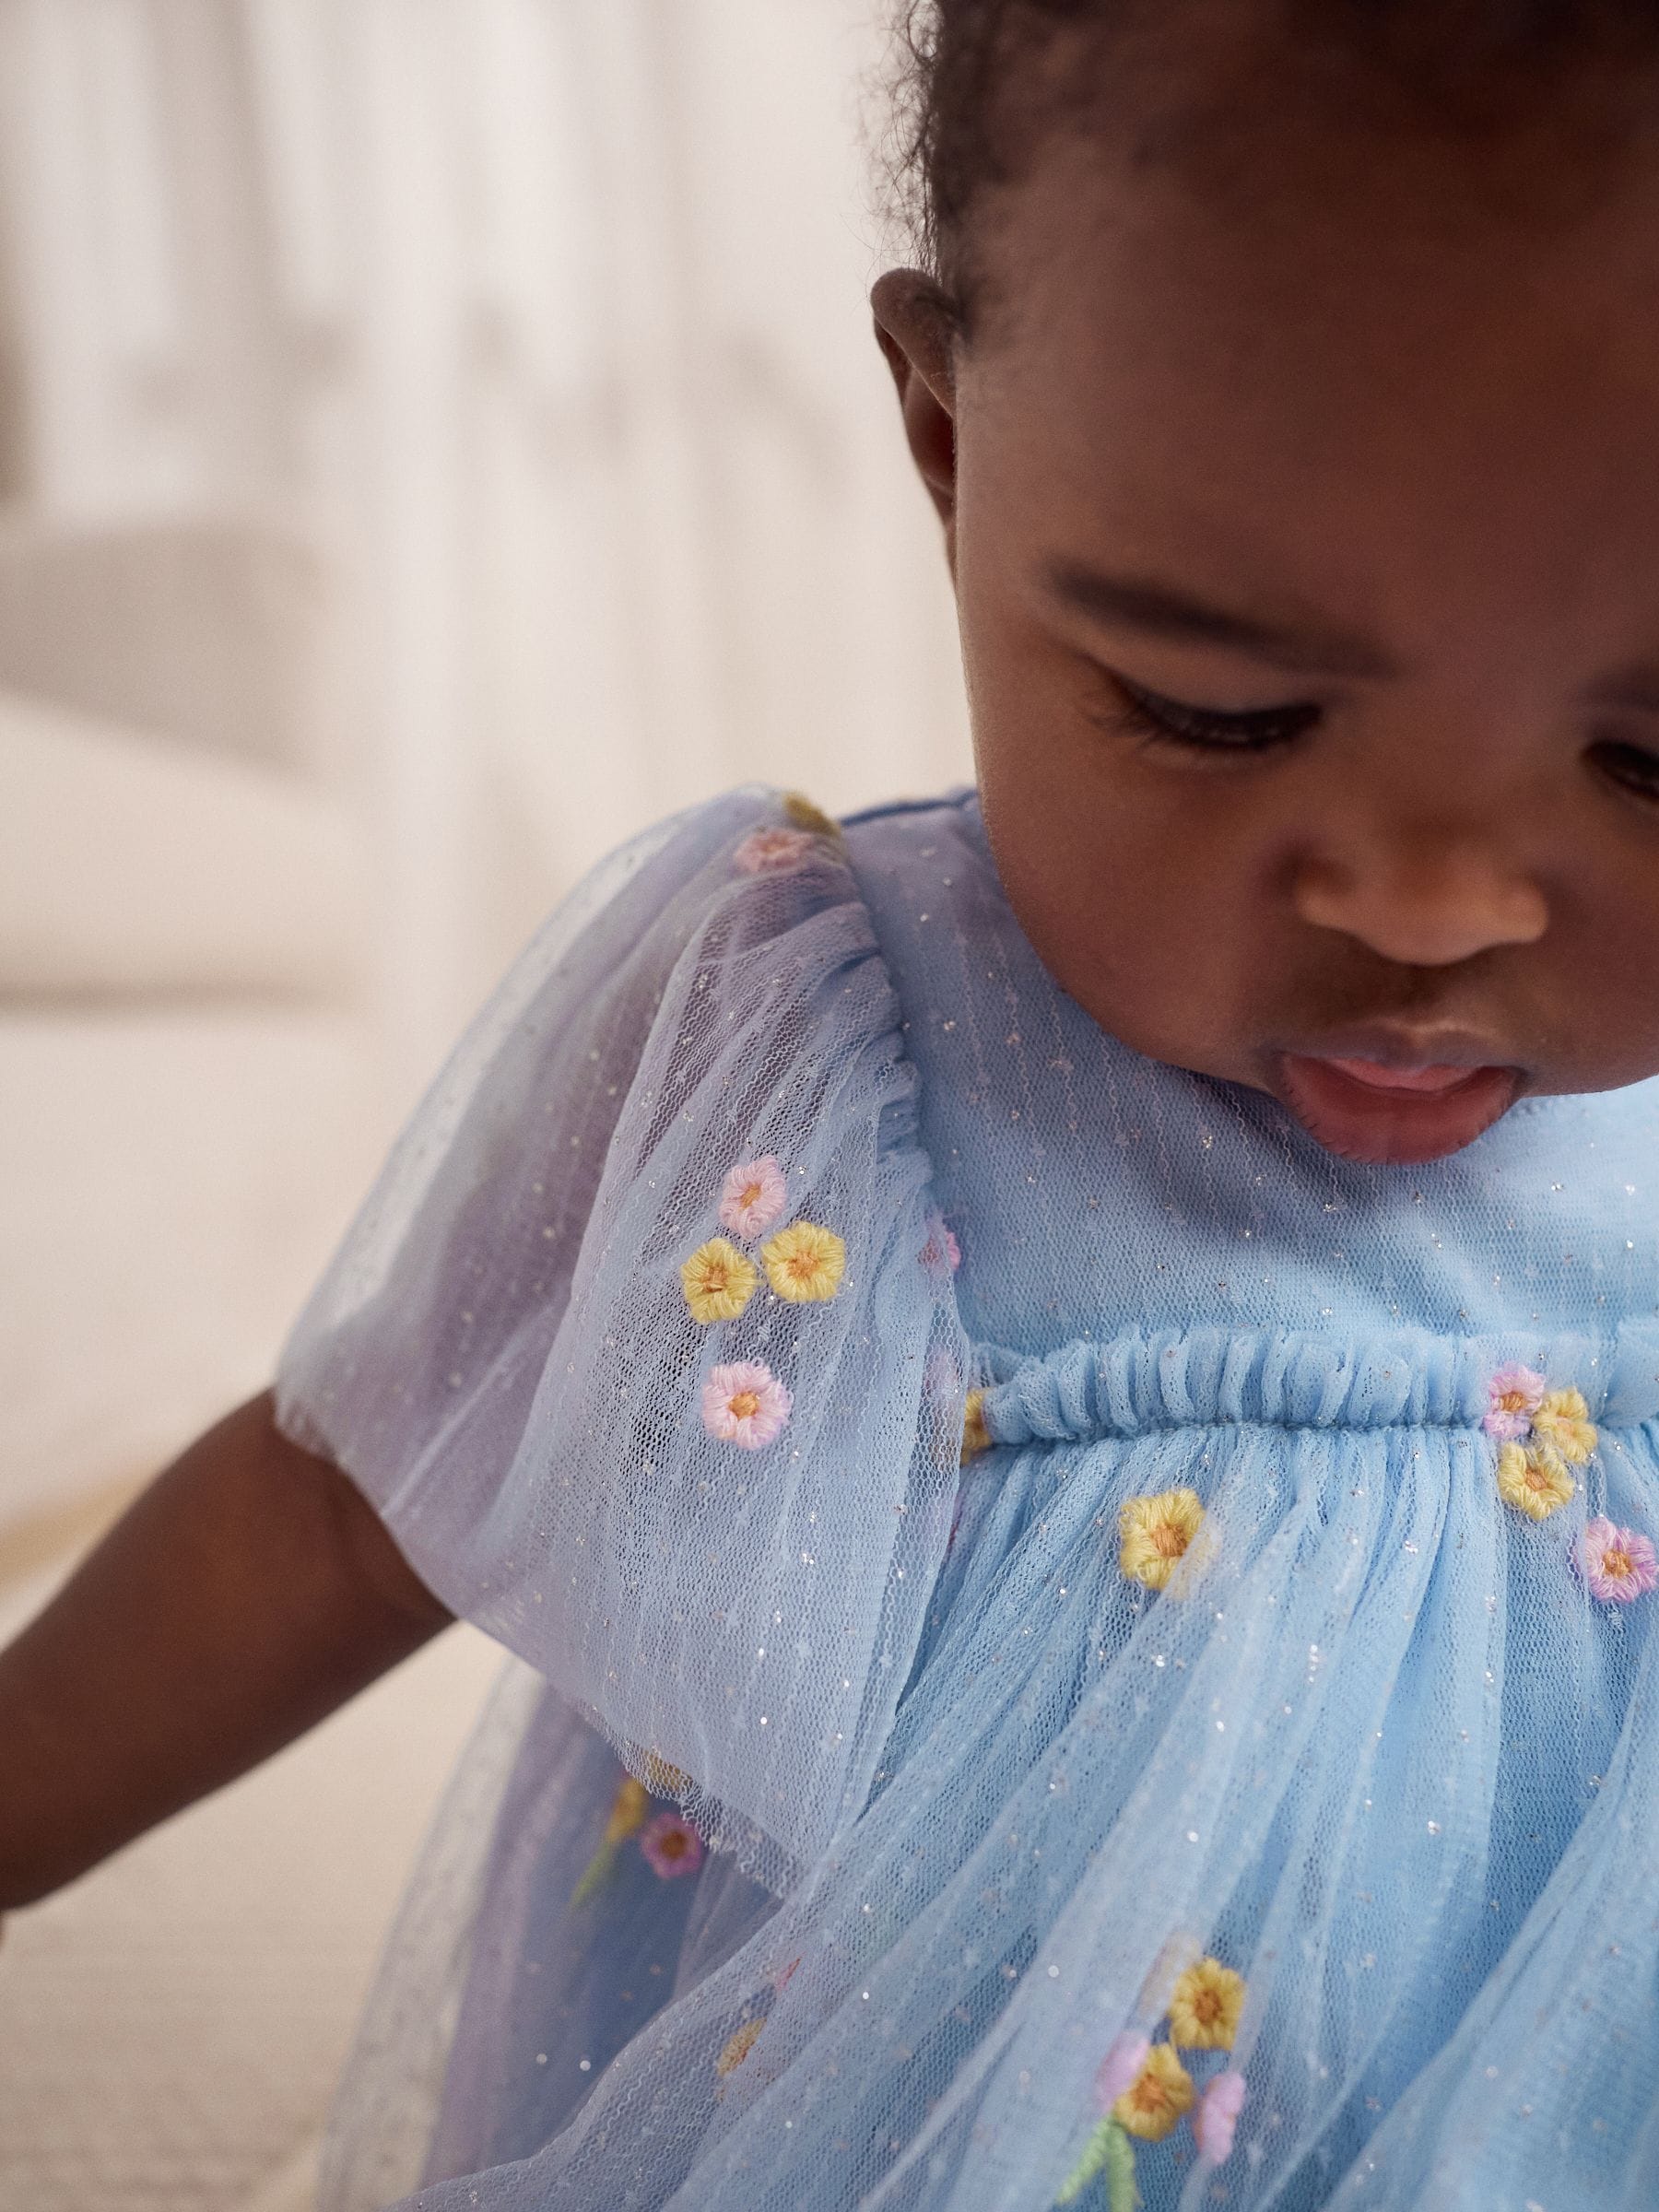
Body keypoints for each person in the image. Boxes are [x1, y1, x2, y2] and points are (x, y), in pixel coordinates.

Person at [7, 2, 1659, 2204]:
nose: (1431, 907)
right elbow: (345, 1505)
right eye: (1222, 713)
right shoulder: (827, 1036)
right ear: (947, 429)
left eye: (1652, 758)